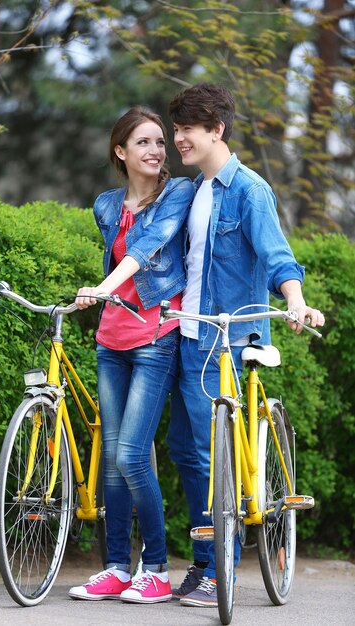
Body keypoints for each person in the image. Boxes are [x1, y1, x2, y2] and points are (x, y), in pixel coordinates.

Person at [166, 83, 325, 608]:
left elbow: (278, 255)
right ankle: (207, 561)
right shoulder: (193, 190)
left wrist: (296, 301)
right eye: (177, 128)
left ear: (217, 130)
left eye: (188, 129)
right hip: (189, 334)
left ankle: (219, 569)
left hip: (230, 339)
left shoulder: (249, 190)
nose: (179, 138)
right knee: (187, 452)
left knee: (212, 457)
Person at [68, 106, 194, 604]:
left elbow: (146, 250)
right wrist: (102, 298)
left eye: (160, 141)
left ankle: (157, 568)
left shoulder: (178, 193)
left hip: (157, 336)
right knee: (113, 461)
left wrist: (100, 288)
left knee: (133, 456)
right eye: (143, 142)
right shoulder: (105, 205)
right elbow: (118, 254)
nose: (157, 151)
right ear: (121, 151)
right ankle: (117, 566)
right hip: (111, 341)